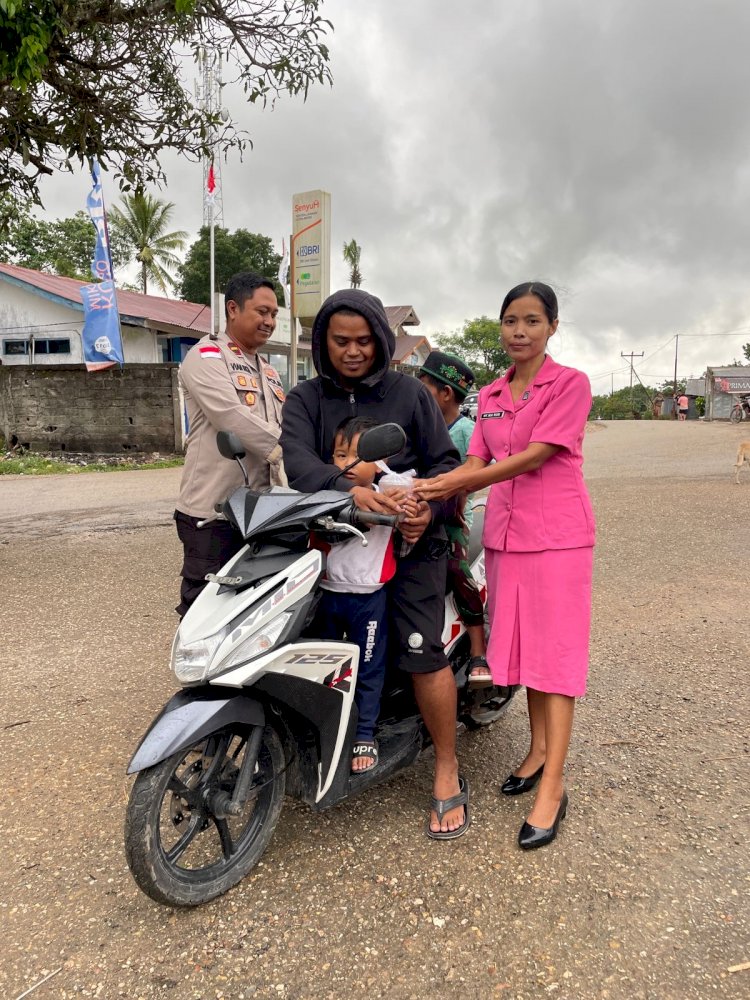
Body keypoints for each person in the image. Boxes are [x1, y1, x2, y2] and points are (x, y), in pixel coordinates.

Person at [280, 288, 470, 839]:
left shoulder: (410, 394)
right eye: (340, 340)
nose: (353, 351)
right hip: (331, 544)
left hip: (410, 548)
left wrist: (425, 511)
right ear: (322, 342)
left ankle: (446, 764)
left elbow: (446, 465)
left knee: (420, 649)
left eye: (364, 340)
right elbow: (298, 464)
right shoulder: (305, 399)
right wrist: (348, 489)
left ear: (382, 342)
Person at [415, 282, 595, 850]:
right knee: (527, 654)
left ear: (552, 327)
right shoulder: (491, 393)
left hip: (558, 538)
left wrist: (453, 484)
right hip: (507, 540)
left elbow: (536, 456)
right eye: (511, 320)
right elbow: (476, 457)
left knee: (556, 660)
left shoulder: (569, 384)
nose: (520, 331)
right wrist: (432, 489)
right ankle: (538, 752)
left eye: (532, 320)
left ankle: (554, 786)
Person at [174, 272, 287, 616]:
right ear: (233, 309)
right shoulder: (207, 356)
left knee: (251, 608)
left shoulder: (268, 371)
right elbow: (231, 417)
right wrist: (291, 452)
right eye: (262, 311)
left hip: (261, 510)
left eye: (274, 314)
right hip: (214, 512)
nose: (269, 321)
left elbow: (282, 423)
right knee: (205, 608)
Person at [311, 416, 408, 773]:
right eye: (340, 455)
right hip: (325, 594)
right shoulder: (323, 497)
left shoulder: (389, 495)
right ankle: (324, 728)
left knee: (368, 668)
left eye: (358, 455)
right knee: (324, 668)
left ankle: (364, 731)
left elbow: (409, 505)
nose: (348, 463)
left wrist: (405, 505)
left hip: (368, 600)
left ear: (380, 461)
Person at [418, 350, 491, 686]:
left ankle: (478, 648)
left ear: (446, 393)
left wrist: (455, 489)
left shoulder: (466, 430)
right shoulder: (423, 426)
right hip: (422, 511)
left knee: (456, 570)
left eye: (424, 388)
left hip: (454, 520)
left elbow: (480, 472)